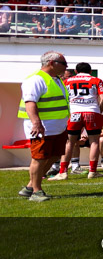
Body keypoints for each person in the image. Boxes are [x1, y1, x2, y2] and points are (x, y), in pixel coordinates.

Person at [18, 51, 70, 201]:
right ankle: (36, 192)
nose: (66, 67)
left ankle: (29, 187)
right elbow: (30, 102)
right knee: (39, 158)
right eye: (64, 64)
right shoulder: (35, 80)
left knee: (53, 156)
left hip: (57, 127)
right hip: (42, 128)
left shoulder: (56, 79)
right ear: (51, 63)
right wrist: (36, 123)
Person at [56, 62, 103, 180]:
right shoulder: (96, 80)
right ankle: (93, 171)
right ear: (90, 71)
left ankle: (63, 172)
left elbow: (63, 98)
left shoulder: (67, 81)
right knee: (94, 141)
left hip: (74, 113)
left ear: (75, 71)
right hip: (91, 112)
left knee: (69, 142)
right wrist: (97, 111)